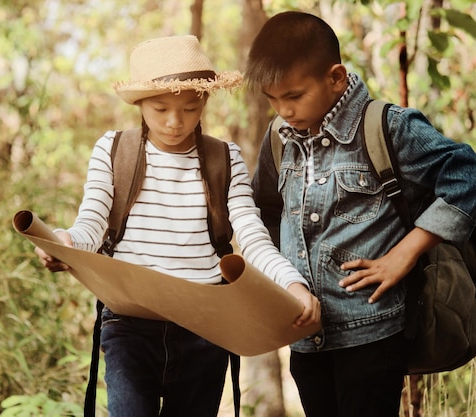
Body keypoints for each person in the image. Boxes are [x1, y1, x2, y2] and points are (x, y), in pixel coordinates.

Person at [34, 35, 321, 417]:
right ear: (139, 104)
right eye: (160, 108)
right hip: (129, 325)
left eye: (189, 107)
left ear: (204, 100)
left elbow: (252, 237)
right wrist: (64, 243)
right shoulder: (114, 150)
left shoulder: (224, 157)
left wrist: (293, 285)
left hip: (205, 328)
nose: (175, 121)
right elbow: (91, 224)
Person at [245, 10, 476, 417]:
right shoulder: (278, 141)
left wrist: (402, 255)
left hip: (373, 334)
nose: (284, 110)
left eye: (294, 96)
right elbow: (263, 215)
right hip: (304, 338)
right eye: (273, 99)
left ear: (335, 77)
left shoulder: (388, 127)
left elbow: (467, 175)